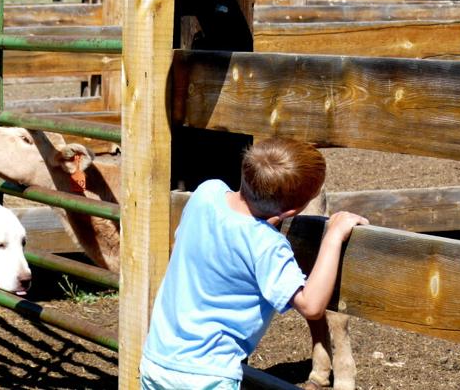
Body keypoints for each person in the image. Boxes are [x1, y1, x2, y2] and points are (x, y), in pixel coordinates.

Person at [139, 137, 369, 390]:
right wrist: (333, 237)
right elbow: (312, 305)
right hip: (207, 375)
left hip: (156, 360)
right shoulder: (266, 245)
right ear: (291, 213)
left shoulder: (206, 192)